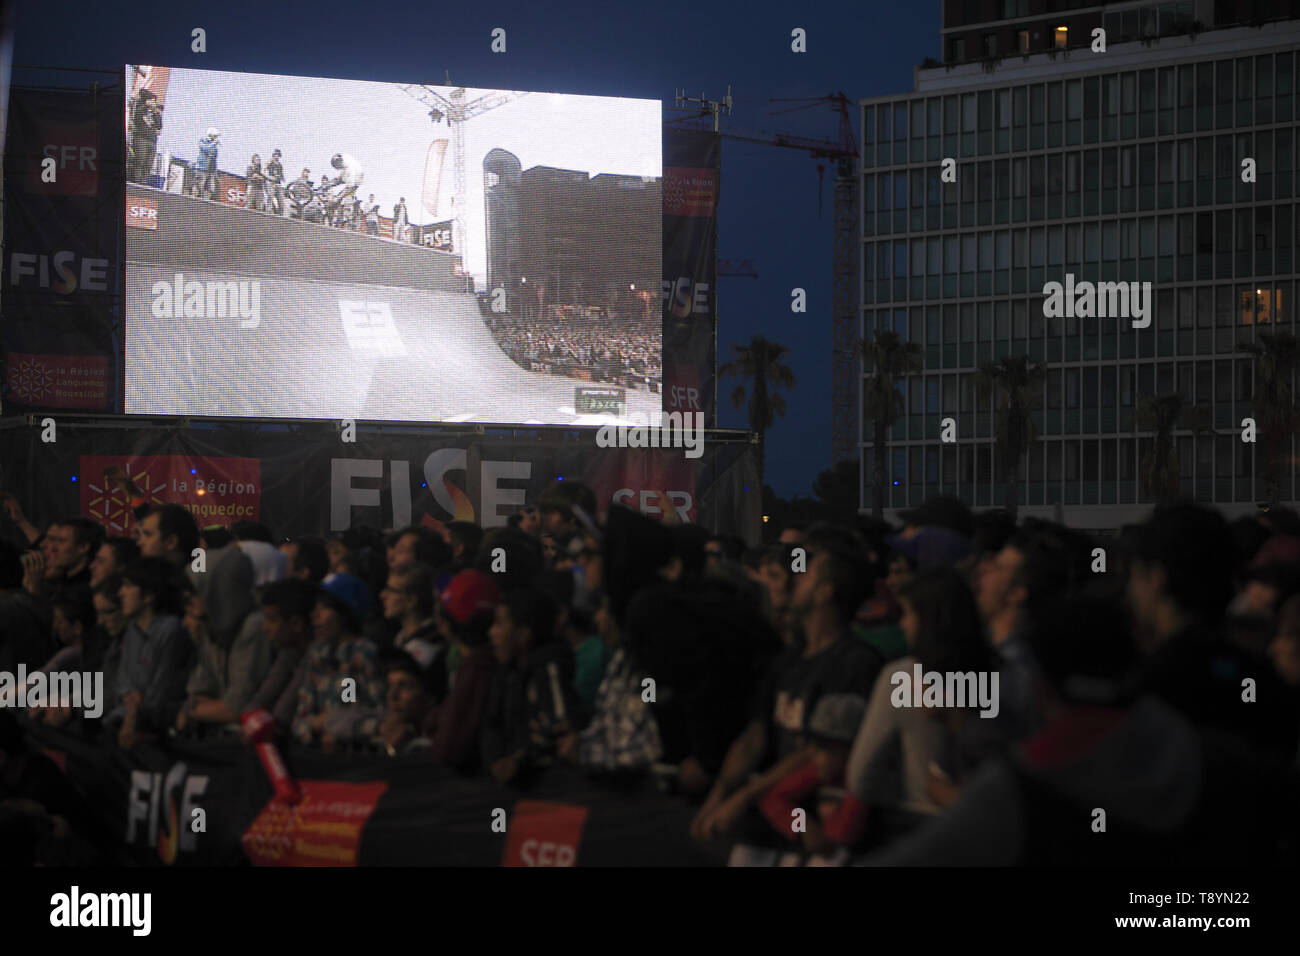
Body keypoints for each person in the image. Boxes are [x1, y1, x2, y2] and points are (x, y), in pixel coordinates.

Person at [109, 557, 193, 748]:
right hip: (126, 715)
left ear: (149, 596)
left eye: (128, 586)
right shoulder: (132, 629)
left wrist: (134, 709)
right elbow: (123, 682)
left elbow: (161, 691)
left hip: (156, 726)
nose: (120, 593)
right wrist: (131, 703)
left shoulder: (171, 630)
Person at [128, 89, 162, 184]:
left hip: (152, 140)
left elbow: (159, 125)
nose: (153, 103)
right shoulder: (139, 108)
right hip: (141, 138)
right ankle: (136, 182)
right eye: (151, 100)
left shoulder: (154, 112)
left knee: (148, 165)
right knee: (140, 162)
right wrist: (146, 106)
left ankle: (143, 183)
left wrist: (155, 112)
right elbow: (136, 118)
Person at [192, 128, 220, 200]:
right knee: (199, 186)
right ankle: (194, 200)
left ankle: (205, 202)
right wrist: (213, 144)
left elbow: (214, 158)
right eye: (215, 136)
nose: (216, 138)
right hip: (201, 169)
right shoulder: (203, 141)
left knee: (210, 189)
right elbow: (206, 149)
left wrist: (214, 170)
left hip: (210, 170)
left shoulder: (215, 146)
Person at [265, 149, 286, 215]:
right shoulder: (269, 162)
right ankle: (268, 213)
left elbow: (282, 175)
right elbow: (264, 171)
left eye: (278, 155)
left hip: (278, 183)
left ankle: (281, 214)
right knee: (270, 198)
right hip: (271, 183)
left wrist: (282, 179)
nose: (277, 157)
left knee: (281, 200)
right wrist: (269, 179)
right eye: (275, 155)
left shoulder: (280, 165)